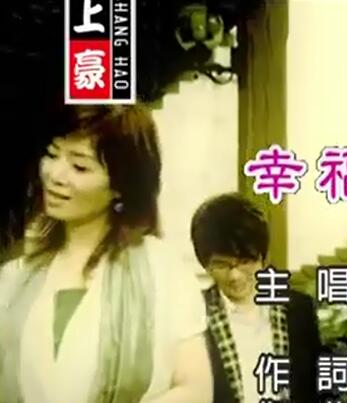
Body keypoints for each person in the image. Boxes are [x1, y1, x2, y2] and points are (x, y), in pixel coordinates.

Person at [0, 105, 213, 403]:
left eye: (79, 166)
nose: (55, 175)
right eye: (52, 154)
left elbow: (195, 389)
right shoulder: (15, 278)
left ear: (120, 185)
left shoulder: (164, 272)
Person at [190, 192, 320, 403]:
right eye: (221, 264)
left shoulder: (298, 309)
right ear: (205, 263)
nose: (234, 275)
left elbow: (313, 389)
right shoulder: (195, 316)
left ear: (262, 257)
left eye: (244, 262)